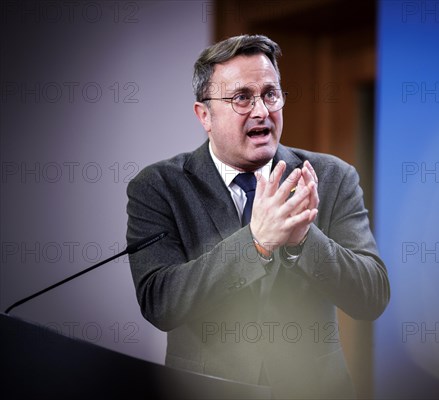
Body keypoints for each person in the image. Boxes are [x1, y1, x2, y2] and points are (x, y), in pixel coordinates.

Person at [126, 34, 390, 399]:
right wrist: (256, 243)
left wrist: (302, 240)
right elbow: (160, 302)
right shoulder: (158, 187)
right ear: (204, 115)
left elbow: (371, 296)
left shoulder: (331, 177)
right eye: (242, 98)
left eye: (270, 93)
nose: (262, 110)